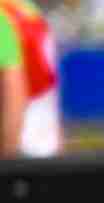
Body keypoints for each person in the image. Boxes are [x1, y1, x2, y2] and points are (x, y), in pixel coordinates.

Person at [0, 0, 60, 157]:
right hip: (45, 149)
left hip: (19, 152)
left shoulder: (5, 16)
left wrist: (7, 158)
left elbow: (14, 93)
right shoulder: (27, 10)